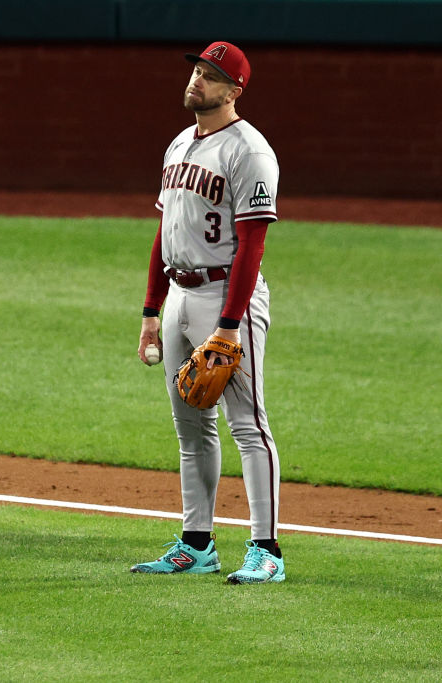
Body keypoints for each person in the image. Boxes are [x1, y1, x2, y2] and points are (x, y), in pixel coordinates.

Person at [130, 42, 284, 583]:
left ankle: (266, 550)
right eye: (197, 69)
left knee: (248, 425)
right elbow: (164, 231)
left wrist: (228, 325)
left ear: (234, 90)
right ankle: (197, 545)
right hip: (179, 296)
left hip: (227, 299)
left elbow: (252, 245)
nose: (198, 80)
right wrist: (152, 309)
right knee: (190, 427)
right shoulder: (178, 145)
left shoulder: (250, 151)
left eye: (212, 75)